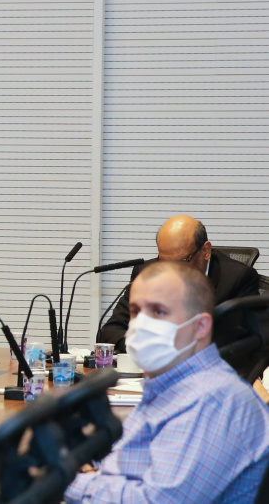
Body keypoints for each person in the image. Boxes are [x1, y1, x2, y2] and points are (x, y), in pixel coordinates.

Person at [65, 261, 269, 503]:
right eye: (136, 311)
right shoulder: (171, 387)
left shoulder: (213, 399)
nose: (141, 324)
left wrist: (67, 480)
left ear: (201, 326)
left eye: (158, 312)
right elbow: (129, 461)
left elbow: (157, 500)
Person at [98, 215, 258, 352]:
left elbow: (245, 340)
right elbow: (111, 330)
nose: (171, 272)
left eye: (181, 262)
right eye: (164, 262)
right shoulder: (147, 273)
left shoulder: (237, 278)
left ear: (205, 251)